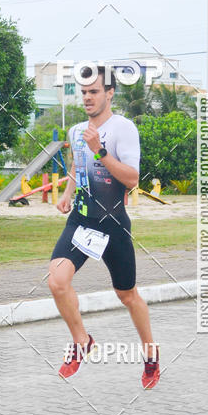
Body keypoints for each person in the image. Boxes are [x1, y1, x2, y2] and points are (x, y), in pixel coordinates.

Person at [48, 65, 160, 389]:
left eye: (93, 92)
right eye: (83, 92)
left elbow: (132, 179)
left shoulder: (123, 129)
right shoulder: (76, 131)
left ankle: (150, 355)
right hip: (82, 220)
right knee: (57, 281)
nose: (87, 98)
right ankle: (82, 341)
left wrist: (101, 150)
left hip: (113, 225)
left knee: (127, 295)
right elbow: (76, 165)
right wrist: (67, 195)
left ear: (109, 93)